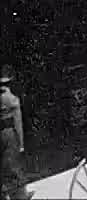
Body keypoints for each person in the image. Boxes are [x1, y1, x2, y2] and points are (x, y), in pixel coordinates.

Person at [0, 66, 28, 200]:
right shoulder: (11, 99)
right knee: (13, 170)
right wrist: (21, 144)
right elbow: (18, 123)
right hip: (7, 134)